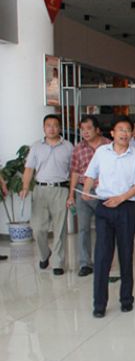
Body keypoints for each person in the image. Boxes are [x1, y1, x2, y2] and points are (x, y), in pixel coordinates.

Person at [82, 116, 135, 317]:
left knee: (126, 254)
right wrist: (86, 189)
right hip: (104, 207)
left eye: (128, 130)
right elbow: (90, 174)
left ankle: (126, 299)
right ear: (112, 133)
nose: (124, 133)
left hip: (126, 207)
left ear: (132, 134)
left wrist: (120, 198)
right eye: (120, 130)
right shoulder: (102, 152)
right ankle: (99, 304)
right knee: (102, 256)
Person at [20, 114, 73, 275]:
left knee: (60, 228)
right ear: (44, 128)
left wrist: (72, 193)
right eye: (48, 125)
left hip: (61, 189)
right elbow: (29, 169)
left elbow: (73, 171)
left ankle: (58, 263)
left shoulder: (68, 146)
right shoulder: (36, 147)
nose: (52, 128)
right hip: (40, 190)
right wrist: (25, 187)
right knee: (38, 228)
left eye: (55, 125)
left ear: (60, 128)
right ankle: (45, 254)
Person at [67, 115, 110, 277]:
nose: (85, 132)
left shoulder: (109, 146)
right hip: (83, 192)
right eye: (82, 129)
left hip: (103, 193)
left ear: (97, 130)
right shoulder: (78, 148)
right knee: (83, 228)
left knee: (103, 229)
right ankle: (85, 263)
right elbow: (75, 173)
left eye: (89, 128)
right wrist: (71, 195)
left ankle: (103, 261)